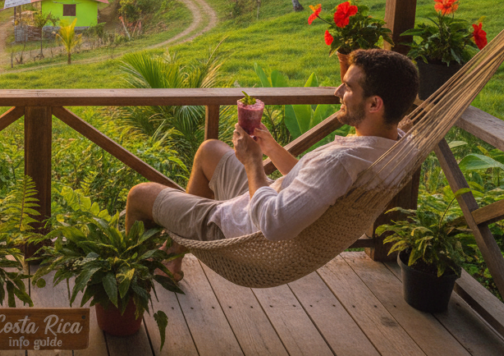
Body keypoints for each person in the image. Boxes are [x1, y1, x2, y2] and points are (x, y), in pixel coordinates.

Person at [125, 48, 418, 279]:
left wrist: (253, 161)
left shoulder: (341, 163)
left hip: (243, 231)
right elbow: (312, 186)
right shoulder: (396, 144)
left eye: (348, 88)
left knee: (139, 196)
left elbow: (274, 225)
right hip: (269, 200)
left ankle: (126, 288)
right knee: (210, 150)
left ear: (374, 104)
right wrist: (270, 148)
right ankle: (173, 262)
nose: (337, 93)